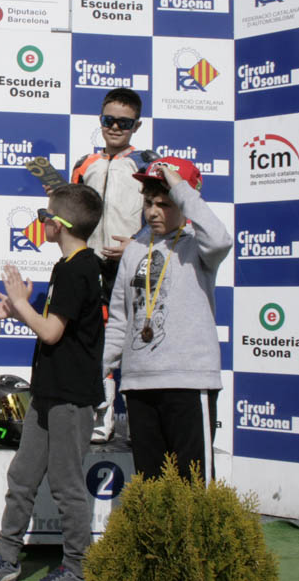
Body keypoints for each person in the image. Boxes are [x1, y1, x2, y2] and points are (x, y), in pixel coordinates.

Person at [0, 184, 106, 581]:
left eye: (44, 215)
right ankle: (7, 557)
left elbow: (50, 332)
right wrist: (15, 311)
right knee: (22, 477)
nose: (41, 221)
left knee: (66, 486)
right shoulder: (69, 266)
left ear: (59, 224)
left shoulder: (79, 267)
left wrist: (21, 303)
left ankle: (77, 567)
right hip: (48, 393)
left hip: (71, 398)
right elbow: (57, 327)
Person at [102, 157, 232, 482]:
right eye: (148, 203)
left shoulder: (198, 246)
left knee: (192, 486)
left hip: (188, 381)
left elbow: (220, 239)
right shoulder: (134, 249)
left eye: (164, 203)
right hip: (139, 382)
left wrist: (180, 187)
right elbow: (119, 319)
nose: (153, 212)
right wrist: (98, 369)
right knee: (150, 485)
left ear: (184, 203)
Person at [71, 87, 157, 443]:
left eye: (125, 122)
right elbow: (73, 215)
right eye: (109, 120)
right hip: (92, 265)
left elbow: (163, 214)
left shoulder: (147, 164)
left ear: (137, 126)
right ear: (100, 120)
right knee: (97, 341)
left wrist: (136, 247)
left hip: (134, 264)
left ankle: (142, 423)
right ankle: (101, 418)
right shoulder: (84, 164)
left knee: (141, 340)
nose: (116, 127)